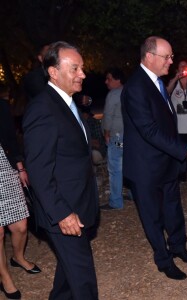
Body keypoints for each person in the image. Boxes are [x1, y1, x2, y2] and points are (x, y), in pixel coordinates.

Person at [121, 36, 187, 281]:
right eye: (166, 57)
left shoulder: (156, 82)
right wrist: (184, 149)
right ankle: (163, 260)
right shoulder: (135, 86)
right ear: (149, 57)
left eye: (171, 56)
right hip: (145, 167)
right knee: (152, 216)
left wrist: (176, 152)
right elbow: (149, 130)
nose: (171, 61)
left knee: (172, 208)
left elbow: (166, 123)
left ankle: (178, 247)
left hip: (166, 161)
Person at [22, 41, 99, 300]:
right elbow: (38, 169)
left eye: (82, 68)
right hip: (64, 211)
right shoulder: (42, 108)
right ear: (53, 72)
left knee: (67, 279)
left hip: (78, 204)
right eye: (75, 68)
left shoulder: (66, 101)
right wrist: (62, 213)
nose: (83, 74)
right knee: (84, 281)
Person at [0, 84, 41, 300]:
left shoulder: (2, 106)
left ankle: (18, 257)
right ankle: (5, 277)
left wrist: (20, 167)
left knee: (21, 225)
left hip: (4, 167)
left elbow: (11, 139)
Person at [100, 67, 126, 210]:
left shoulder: (114, 94)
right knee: (130, 166)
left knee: (115, 168)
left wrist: (106, 133)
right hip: (130, 137)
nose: (106, 82)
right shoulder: (130, 91)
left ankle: (116, 201)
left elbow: (108, 116)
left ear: (117, 79)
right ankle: (134, 193)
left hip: (117, 138)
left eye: (109, 78)